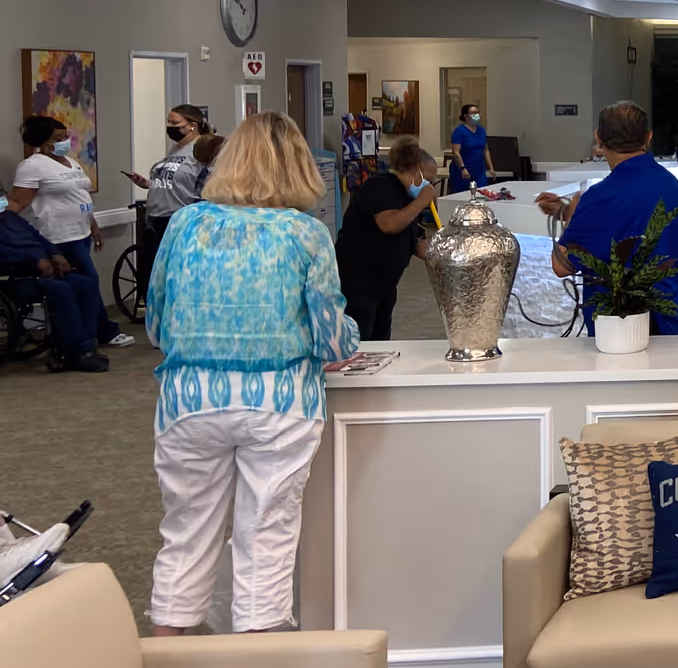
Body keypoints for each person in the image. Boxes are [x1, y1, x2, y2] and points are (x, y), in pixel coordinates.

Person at [144, 110, 359, 636]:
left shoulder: (184, 223)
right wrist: (346, 335)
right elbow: (333, 341)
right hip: (279, 404)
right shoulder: (306, 234)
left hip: (189, 400)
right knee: (266, 535)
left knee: (186, 534)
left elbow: (156, 321)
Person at [538, 101, 678, 335]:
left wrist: (573, 217)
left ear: (598, 139)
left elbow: (562, 265)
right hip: (668, 321)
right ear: (648, 138)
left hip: (618, 329)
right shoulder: (668, 182)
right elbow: (625, 219)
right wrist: (567, 212)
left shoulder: (599, 196)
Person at [10, 116, 131, 347]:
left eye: (65, 136)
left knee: (87, 283)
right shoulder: (32, 166)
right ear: (43, 141)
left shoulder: (70, 162)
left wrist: (93, 225)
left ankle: (94, 332)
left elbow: (79, 196)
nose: (65, 141)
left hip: (80, 232)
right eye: (58, 138)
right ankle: (102, 332)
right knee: (89, 281)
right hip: (57, 236)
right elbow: (18, 201)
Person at [334, 135, 439, 341]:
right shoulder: (380, 187)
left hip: (385, 285)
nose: (430, 185)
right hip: (359, 283)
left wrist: (446, 261)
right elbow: (390, 224)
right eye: (428, 179)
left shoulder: (407, 199)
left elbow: (416, 242)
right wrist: (423, 199)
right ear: (414, 170)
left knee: (380, 342)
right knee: (359, 341)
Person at [0, 204, 109, 372]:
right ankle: (71, 352)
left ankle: (87, 348)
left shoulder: (10, 218)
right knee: (62, 290)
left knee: (87, 285)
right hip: (19, 278)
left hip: (46, 270)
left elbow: (38, 237)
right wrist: (33, 260)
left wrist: (55, 253)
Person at [124, 103, 213, 304]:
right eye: (169, 122)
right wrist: (147, 183)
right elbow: (174, 180)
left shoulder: (203, 148)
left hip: (181, 219)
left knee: (176, 275)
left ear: (193, 125)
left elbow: (206, 185)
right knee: (154, 274)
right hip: (156, 219)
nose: (170, 126)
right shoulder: (175, 149)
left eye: (175, 123)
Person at [448, 102, 495, 194]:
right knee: (462, 195)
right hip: (463, 169)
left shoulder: (481, 130)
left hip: (479, 169)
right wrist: (462, 168)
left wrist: (491, 167)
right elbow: (456, 152)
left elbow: (485, 149)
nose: (477, 115)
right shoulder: (459, 131)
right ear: (466, 116)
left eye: (478, 112)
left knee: (481, 194)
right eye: (474, 113)